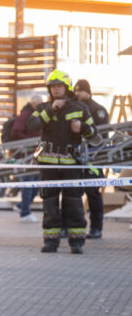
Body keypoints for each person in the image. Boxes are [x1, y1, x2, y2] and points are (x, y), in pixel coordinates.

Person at [28, 70, 98, 254]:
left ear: (66, 87)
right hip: (48, 164)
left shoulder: (80, 108)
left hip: (71, 163)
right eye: (52, 86)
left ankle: (77, 241)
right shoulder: (43, 108)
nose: (56, 89)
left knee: (73, 201)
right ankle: (51, 241)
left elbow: (95, 135)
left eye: (59, 86)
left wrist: (81, 127)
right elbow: (32, 126)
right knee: (49, 202)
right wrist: (52, 109)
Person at [74, 79, 109, 239]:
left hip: (93, 158)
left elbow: (101, 135)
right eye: (75, 91)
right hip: (76, 158)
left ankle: (96, 228)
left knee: (93, 194)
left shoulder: (98, 110)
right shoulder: (73, 108)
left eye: (80, 91)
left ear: (88, 91)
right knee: (72, 194)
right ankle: (72, 226)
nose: (77, 94)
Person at [11, 95, 43, 223]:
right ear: (34, 103)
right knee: (29, 182)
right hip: (26, 154)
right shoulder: (26, 115)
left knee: (36, 182)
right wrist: (28, 142)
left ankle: (22, 206)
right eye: (40, 103)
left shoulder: (35, 114)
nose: (41, 105)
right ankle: (25, 212)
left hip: (36, 152)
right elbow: (16, 131)